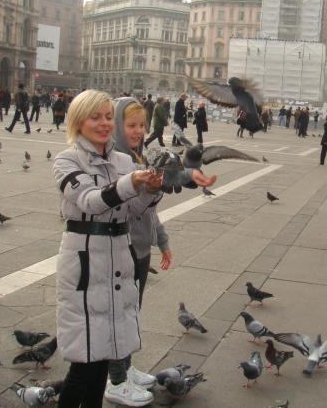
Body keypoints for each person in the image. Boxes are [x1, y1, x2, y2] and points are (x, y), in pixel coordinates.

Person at [53, 90, 215, 408]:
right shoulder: (66, 160)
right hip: (86, 261)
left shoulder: (124, 160)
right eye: (94, 117)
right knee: (84, 362)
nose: (103, 123)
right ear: (78, 121)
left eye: (106, 117)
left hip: (117, 259)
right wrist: (131, 183)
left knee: (103, 357)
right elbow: (90, 201)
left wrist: (153, 189)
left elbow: (132, 210)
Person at [106, 97, 174, 406]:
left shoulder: (139, 156)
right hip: (125, 248)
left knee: (132, 313)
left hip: (142, 247)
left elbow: (150, 210)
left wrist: (162, 240)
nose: (137, 130)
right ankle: (115, 380)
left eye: (142, 125)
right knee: (121, 315)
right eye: (131, 125)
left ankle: (127, 368)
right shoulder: (117, 162)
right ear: (117, 125)